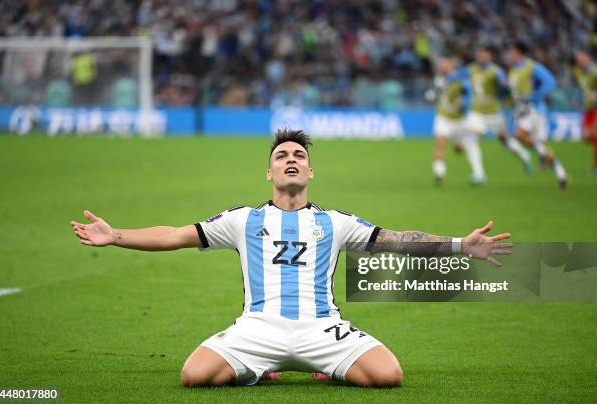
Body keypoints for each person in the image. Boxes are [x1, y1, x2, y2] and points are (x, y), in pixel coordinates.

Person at [70, 129, 512, 387]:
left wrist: (459, 245)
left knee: (389, 376)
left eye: (299, 155)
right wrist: (117, 236)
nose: (291, 160)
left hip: (323, 328)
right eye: (282, 156)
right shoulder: (242, 219)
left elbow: (397, 241)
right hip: (258, 328)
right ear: (270, 172)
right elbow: (175, 235)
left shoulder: (337, 223)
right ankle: (256, 370)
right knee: (193, 376)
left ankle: (329, 369)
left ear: (310, 171)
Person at [447, 46, 531, 185]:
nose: (480, 57)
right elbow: (456, 76)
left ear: (489, 56)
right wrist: (447, 75)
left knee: (505, 141)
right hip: (476, 112)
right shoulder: (472, 68)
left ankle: (524, 155)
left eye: (483, 55)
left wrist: (504, 87)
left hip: (493, 113)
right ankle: (479, 174)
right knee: (470, 139)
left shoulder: (496, 72)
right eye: (479, 54)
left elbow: (504, 86)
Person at [506, 42, 567, 190]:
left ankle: (542, 154)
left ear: (519, 53)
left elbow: (550, 81)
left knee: (519, 134)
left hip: (534, 109)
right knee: (543, 146)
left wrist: (534, 96)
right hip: (522, 110)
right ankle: (561, 175)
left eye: (512, 52)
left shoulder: (531, 67)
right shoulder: (513, 70)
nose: (509, 55)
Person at [429, 57, 467, 184]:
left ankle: (464, 147)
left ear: (451, 64)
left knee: (458, 149)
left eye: (444, 64)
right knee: (440, 143)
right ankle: (439, 173)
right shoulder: (439, 79)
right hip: (443, 116)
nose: (441, 66)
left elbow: (468, 93)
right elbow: (436, 93)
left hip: (458, 119)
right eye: (441, 64)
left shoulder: (461, 78)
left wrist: (463, 101)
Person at [573, 50, 597, 173]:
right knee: (586, 137)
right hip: (587, 109)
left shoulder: (594, 72)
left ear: (588, 58)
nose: (579, 62)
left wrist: (595, 95)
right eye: (578, 60)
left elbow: (591, 92)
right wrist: (577, 98)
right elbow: (580, 87)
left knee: (595, 135)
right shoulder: (577, 72)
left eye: (581, 60)